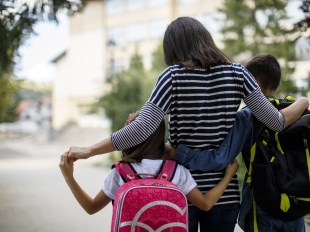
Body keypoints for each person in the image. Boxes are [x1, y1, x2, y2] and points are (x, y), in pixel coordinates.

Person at [67, 17, 308, 232]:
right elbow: (276, 122)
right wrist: (303, 101)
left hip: (180, 190)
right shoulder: (238, 74)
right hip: (224, 193)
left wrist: (89, 150)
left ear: (173, 48)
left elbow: (142, 128)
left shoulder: (172, 76)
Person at [165, 54, 307, 231]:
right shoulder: (296, 111)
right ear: (277, 84)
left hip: (263, 204)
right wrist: (304, 101)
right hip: (297, 205)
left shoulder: (247, 116)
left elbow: (219, 158)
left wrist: (176, 153)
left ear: (251, 81)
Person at [59, 112, 239, 221]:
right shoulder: (176, 171)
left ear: (128, 138)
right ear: (161, 137)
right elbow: (206, 204)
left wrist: (69, 177)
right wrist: (228, 176)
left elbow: (91, 208)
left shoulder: (120, 173)